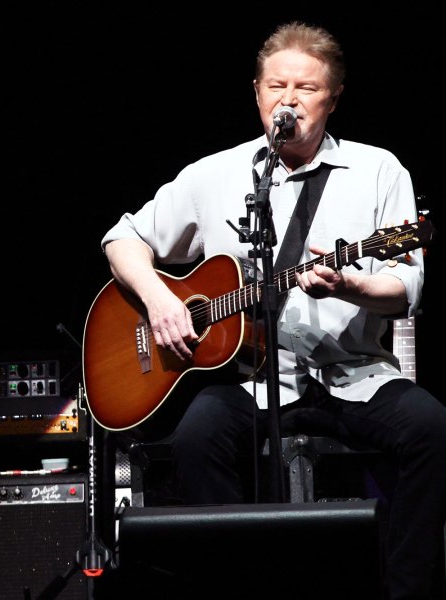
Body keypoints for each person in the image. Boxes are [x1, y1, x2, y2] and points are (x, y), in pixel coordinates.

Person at [101, 21, 446, 600]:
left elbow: (406, 286)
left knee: (433, 429)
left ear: (332, 98)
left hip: (353, 374)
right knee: (194, 439)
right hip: (256, 378)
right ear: (258, 93)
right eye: (277, 85)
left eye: (306, 88)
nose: (289, 99)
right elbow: (123, 239)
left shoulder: (379, 170)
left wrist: (348, 287)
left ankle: (405, 591)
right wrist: (161, 301)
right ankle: (242, 585)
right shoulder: (216, 174)